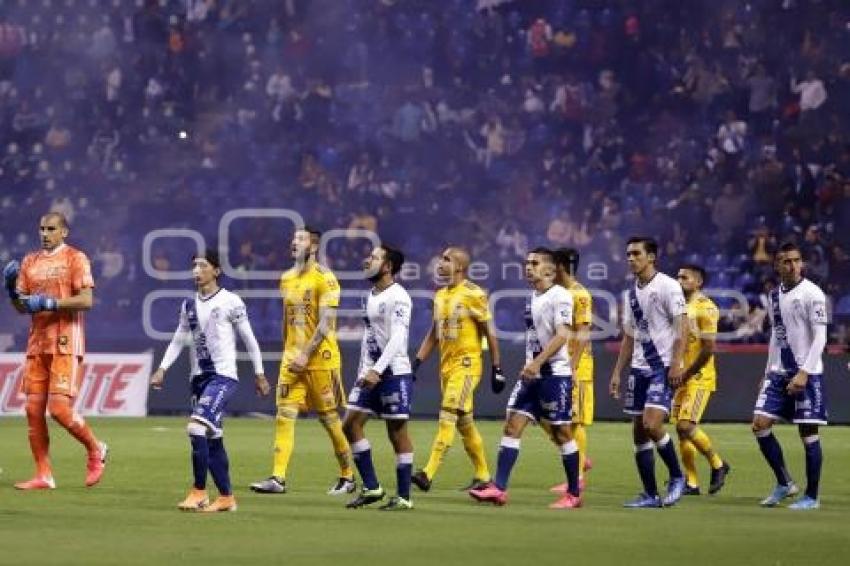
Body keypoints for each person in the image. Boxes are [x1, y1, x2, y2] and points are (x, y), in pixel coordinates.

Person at [150, 250, 270, 512]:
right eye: (194, 266)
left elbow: (249, 339)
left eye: (202, 266)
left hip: (223, 377)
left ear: (216, 271)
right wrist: (162, 368)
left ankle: (199, 492)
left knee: (195, 428)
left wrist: (260, 373)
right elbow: (179, 339)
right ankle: (226, 497)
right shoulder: (188, 305)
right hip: (199, 379)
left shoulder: (231, 302)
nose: (196, 271)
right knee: (213, 437)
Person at [469, 248, 582, 509]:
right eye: (527, 262)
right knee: (511, 426)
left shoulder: (561, 296)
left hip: (554, 375)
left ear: (550, 270)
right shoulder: (533, 296)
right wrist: (531, 364)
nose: (528, 266)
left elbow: (564, 334)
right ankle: (498, 488)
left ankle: (574, 494)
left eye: (534, 263)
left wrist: (538, 362)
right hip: (532, 376)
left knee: (562, 432)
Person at [2, 212, 107, 490]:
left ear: (64, 232)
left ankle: (96, 449)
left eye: (51, 229)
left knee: (59, 409)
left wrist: (49, 303)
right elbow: (23, 307)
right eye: (41, 229)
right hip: (37, 343)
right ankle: (44, 475)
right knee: (32, 409)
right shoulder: (30, 262)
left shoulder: (76, 258)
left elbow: (86, 300)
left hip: (66, 341)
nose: (45, 234)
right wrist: (12, 292)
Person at [250, 226, 355, 495]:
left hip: (320, 360)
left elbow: (325, 324)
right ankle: (278, 478)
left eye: (300, 239)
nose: (294, 242)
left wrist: (305, 354)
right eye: (293, 237)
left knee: (329, 419)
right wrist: (290, 353)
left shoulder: (326, 279)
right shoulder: (285, 279)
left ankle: (348, 475)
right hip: (291, 359)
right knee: (284, 416)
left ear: (314, 245)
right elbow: (287, 321)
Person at [411, 246, 502, 493]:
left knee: (447, 415)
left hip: (467, 364)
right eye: (441, 258)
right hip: (447, 367)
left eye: (446, 259)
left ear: (460, 267)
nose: (440, 263)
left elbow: (489, 333)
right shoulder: (440, 295)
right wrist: (417, 361)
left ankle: (427, 473)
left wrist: (496, 367)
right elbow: (434, 332)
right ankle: (483, 475)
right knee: (465, 423)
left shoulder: (474, 294)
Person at [609, 237, 688, 508]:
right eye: (628, 254)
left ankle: (678, 476)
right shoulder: (631, 292)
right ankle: (651, 494)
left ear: (651, 257)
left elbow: (682, 328)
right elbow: (630, 336)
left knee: (651, 424)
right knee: (638, 433)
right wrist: (618, 371)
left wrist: (677, 363)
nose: (630, 258)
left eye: (636, 254)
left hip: (661, 367)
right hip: (638, 369)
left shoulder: (668, 286)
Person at [752, 242, 828, 510]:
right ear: (777, 266)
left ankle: (812, 495)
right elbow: (777, 335)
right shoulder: (774, 296)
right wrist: (767, 370)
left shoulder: (812, 294)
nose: (793, 265)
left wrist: (805, 373)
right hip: (779, 372)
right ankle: (785, 483)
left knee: (808, 433)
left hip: (807, 373)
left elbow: (821, 336)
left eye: (796, 260)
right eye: (786, 261)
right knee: (760, 425)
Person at [342, 245, 415, 510]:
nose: (366, 259)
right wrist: (365, 369)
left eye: (373, 257)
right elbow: (371, 336)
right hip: (370, 373)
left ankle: (404, 497)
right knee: (349, 425)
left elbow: (398, 338)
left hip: (393, 372)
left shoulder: (399, 297)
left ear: (387, 266)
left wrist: (377, 369)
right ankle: (373, 488)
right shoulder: (371, 295)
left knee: (396, 433)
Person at [674, 264, 730, 495]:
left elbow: (708, 349)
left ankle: (718, 464)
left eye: (684, 277)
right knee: (680, 430)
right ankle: (692, 482)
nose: (679, 281)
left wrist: (687, 372)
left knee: (686, 425)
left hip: (699, 375)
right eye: (677, 276)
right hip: (679, 375)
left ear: (698, 282)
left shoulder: (707, 308)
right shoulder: (678, 307)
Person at [549, 248, 594, 494]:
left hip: (577, 365)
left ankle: (576, 477)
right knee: (550, 418)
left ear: (561, 266)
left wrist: (574, 365)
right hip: (557, 364)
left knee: (575, 421)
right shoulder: (555, 293)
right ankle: (579, 458)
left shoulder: (580, 294)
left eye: (550, 265)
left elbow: (584, 331)